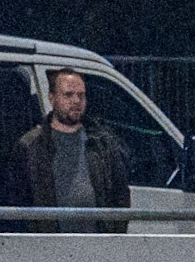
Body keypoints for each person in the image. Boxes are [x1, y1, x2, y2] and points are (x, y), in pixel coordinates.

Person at [8, 67, 131, 233]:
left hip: (99, 248)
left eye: (81, 95)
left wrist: (114, 237)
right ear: (52, 98)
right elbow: (16, 203)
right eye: (68, 95)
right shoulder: (30, 146)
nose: (76, 101)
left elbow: (120, 196)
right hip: (48, 249)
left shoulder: (103, 144)